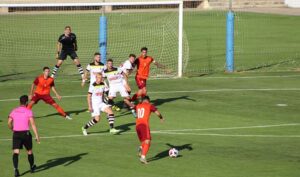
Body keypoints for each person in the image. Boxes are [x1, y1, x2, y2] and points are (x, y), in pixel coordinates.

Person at [8, 95, 40, 177]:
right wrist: (37, 136)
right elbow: (33, 124)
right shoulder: (28, 111)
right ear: (26, 102)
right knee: (29, 151)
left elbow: (9, 122)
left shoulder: (14, 111)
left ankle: (16, 170)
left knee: (16, 152)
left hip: (16, 133)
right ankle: (32, 167)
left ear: (20, 102)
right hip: (26, 134)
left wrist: (12, 129)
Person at [135, 96, 164, 164]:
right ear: (148, 100)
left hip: (137, 126)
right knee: (148, 141)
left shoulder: (138, 105)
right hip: (144, 125)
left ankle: (141, 148)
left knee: (143, 141)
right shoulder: (149, 105)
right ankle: (143, 157)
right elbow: (157, 112)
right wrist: (161, 118)